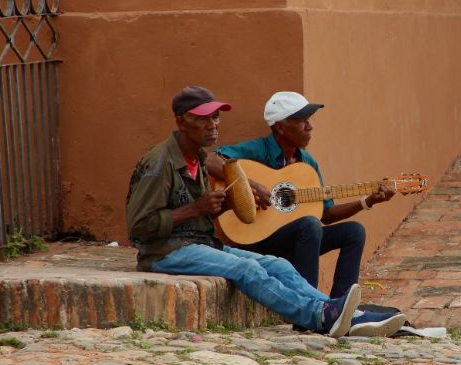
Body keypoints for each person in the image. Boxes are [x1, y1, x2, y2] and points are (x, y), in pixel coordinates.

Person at [126, 86, 401, 338]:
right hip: (165, 252)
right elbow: (140, 228)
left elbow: (324, 213)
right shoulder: (159, 163)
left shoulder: (197, 157)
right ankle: (317, 316)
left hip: (201, 242)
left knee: (278, 265)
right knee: (247, 268)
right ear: (180, 121)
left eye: (216, 118)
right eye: (202, 119)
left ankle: (342, 313)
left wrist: (226, 204)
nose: (212, 126)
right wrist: (195, 208)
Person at [207, 91, 395, 301]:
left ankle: (339, 306)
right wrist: (251, 186)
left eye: (309, 120)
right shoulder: (258, 149)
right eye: (302, 121)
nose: (309, 127)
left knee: (353, 231)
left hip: (296, 242)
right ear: (280, 126)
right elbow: (210, 160)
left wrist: (366, 201)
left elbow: (326, 213)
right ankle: (309, 305)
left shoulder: (307, 163)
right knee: (309, 226)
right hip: (253, 239)